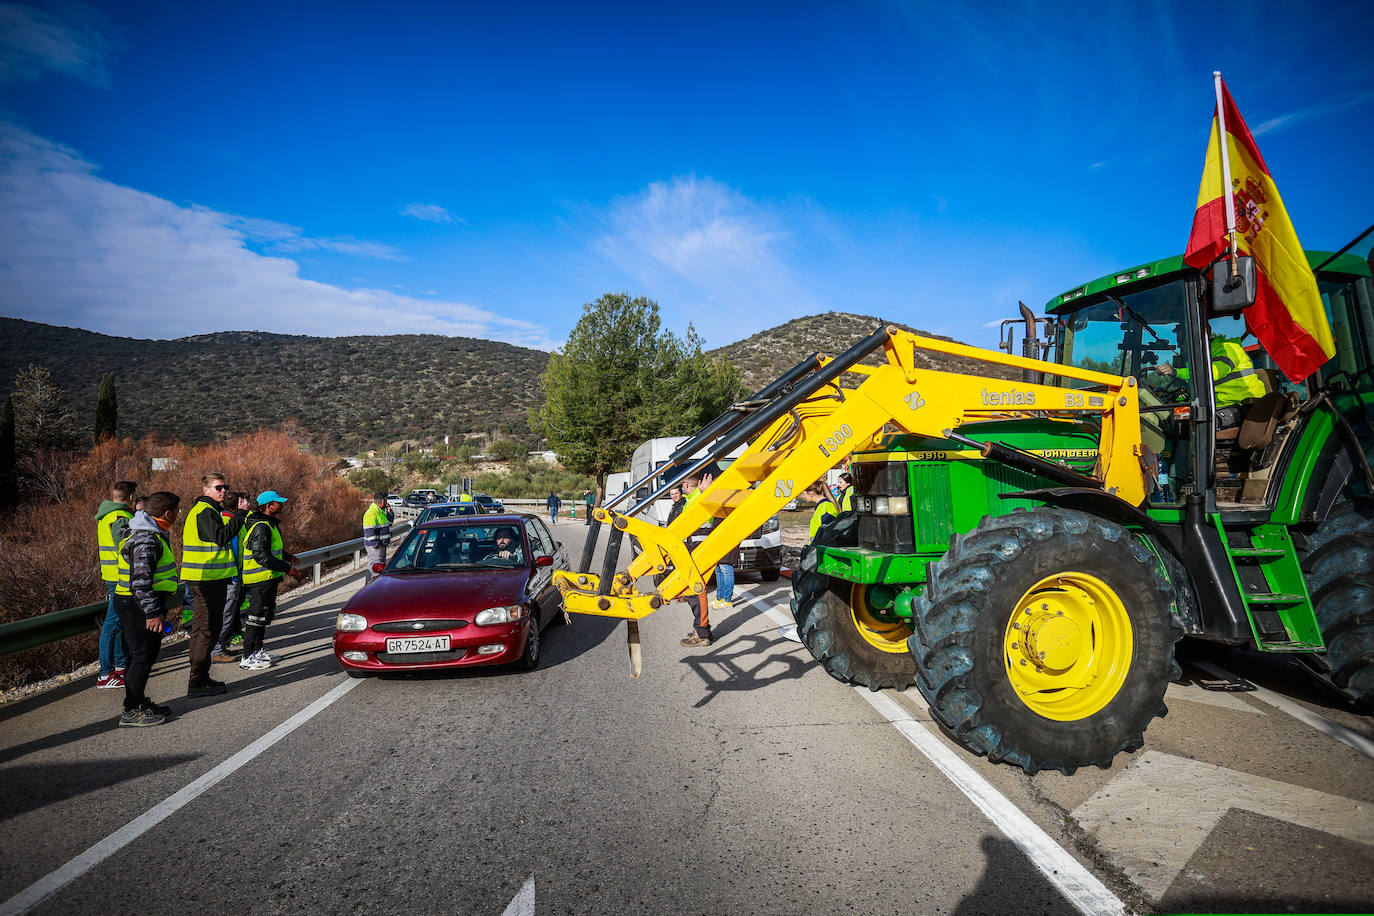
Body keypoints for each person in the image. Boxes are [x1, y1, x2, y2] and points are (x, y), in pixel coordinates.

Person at [112, 490, 181, 727]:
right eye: (177, 512)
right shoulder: (146, 538)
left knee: (142, 654)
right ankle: (131, 710)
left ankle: (137, 701)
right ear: (168, 513)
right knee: (142, 655)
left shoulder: (151, 533)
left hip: (138, 602)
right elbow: (140, 582)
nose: (177, 516)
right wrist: (152, 613)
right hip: (138, 604)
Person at [181, 471, 241, 699]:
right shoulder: (205, 511)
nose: (224, 491)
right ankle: (196, 682)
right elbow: (220, 537)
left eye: (225, 487)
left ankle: (202, 678)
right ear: (205, 490)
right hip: (205, 580)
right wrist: (241, 516)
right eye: (218, 487)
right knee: (205, 632)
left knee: (206, 631)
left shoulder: (209, 510)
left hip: (210, 579)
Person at [238, 491, 298, 670]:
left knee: (263, 617)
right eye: (278, 503)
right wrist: (287, 568)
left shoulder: (269, 525)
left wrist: (288, 557)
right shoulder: (261, 526)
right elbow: (261, 555)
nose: (282, 505)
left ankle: (257, 651)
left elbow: (270, 549)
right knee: (255, 618)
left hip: (268, 578)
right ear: (269, 506)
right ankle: (247, 657)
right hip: (259, 579)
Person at [94, 479, 136, 689]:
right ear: (130, 498)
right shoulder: (120, 517)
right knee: (112, 624)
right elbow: (127, 548)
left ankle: (120, 666)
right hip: (120, 577)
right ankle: (105, 673)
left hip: (111, 574)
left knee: (118, 623)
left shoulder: (106, 516)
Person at [673, 473, 714, 647]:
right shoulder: (690, 500)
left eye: (682, 486)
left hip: (698, 551)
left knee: (696, 591)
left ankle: (702, 633)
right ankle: (702, 628)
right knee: (692, 592)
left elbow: (704, 509)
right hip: (692, 550)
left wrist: (703, 492)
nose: (681, 489)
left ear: (687, 486)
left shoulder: (698, 497)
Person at [211, 490, 250, 662]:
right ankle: (216, 649)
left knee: (224, 613)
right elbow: (233, 552)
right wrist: (236, 576)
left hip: (222, 575)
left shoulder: (221, 518)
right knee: (226, 614)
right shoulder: (231, 521)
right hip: (231, 576)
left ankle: (220, 647)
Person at [700, 465, 735, 612]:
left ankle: (727, 600)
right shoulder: (719, 492)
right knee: (719, 569)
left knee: (726, 568)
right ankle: (720, 597)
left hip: (728, 534)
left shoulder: (726, 493)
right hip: (718, 533)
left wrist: (706, 492)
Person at [362, 492, 392, 584]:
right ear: (382, 502)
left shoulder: (381, 512)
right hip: (375, 547)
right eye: (386, 500)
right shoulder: (371, 513)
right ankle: (370, 588)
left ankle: (377, 586)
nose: (387, 502)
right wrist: (377, 545)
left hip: (381, 545)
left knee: (380, 568)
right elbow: (369, 532)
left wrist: (390, 513)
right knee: (374, 569)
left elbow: (389, 523)